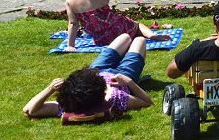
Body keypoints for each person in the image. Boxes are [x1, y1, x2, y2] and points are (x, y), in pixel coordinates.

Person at [23, 33, 153, 123]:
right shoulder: (114, 98)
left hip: (98, 68)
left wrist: (50, 89)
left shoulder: (70, 104)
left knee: (124, 37)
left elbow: (29, 109)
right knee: (139, 40)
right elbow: (146, 101)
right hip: (124, 74)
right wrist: (129, 82)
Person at [65, 0, 166, 48]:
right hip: (119, 30)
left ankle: (150, 35)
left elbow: (73, 24)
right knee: (137, 25)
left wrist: (70, 45)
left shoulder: (70, 0)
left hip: (101, 38)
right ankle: (152, 36)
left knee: (130, 24)